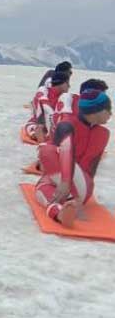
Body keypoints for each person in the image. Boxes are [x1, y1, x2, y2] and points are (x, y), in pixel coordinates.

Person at [35, 89, 111, 228]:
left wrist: (67, 184)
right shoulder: (68, 126)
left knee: (47, 150)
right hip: (72, 185)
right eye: (108, 109)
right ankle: (60, 211)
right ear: (97, 111)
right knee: (43, 190)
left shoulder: (100, 133)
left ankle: (63, 206)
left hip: (76, 184)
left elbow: (66, 152)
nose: (111, 114)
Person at [24, 71, 70, 143]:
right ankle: (41, 137)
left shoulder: (64, 97)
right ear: (61, 83)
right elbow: (47, 109)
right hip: (38, 124)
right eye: (67, 83)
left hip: (54, 126)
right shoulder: (44, 91)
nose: (69, 86)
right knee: (36, 128)